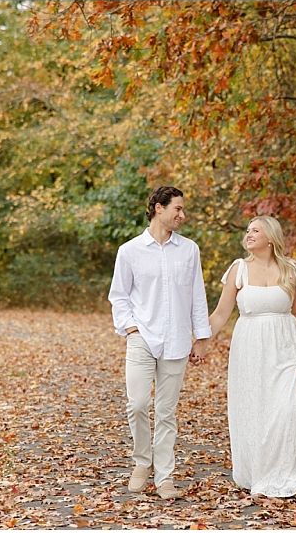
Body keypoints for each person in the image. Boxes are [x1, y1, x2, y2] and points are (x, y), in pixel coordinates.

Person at [204, 215, 296, 497]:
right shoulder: (239, 269)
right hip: (250, 347)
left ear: (270, 237)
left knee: (287, 409)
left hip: (287, 345)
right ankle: (260, 472)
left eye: (255, 230)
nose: (248, 234)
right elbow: (221, 314)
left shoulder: (291, 269)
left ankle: (291, 477)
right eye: (247, 230)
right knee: (257, 409)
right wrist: (200, 342)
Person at [108, 186, 212, 500]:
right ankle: (142, 461)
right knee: (137, 404)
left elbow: (197, 296)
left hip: (178, 340)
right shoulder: (130, 251)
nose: (183, 215)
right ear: (157, 208)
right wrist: (132, 330)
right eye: (177, 209)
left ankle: (165, 476)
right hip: (142, 338)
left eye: (182, 209)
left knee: (166, 412)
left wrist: (202, 337)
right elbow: (119, 296)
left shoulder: (189, 250)